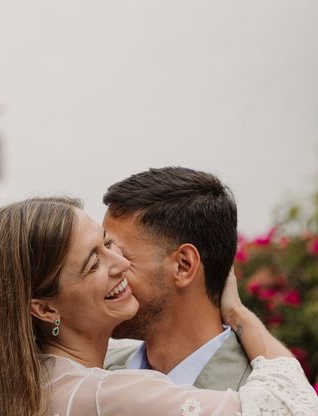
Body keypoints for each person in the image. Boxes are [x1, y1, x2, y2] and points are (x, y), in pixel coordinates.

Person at [0, 197, 318, 416]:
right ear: (44, 309)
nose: (120, 264)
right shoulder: (109, 394)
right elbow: (287, 408)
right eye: (93, 264)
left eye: (110, 245)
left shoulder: (24, 383)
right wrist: (239, 314)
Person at [103, 167, 249, 390]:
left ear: (183, 265)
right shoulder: (92, 376)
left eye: (118, 255)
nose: (100, 274)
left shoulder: (256, 397)